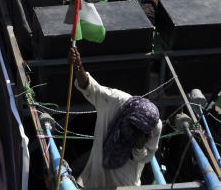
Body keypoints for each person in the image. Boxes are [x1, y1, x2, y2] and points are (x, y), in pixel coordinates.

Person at [69, 46, 162, 187]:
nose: (134, 131)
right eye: (133, 126)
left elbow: (147, 157)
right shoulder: (115, 100)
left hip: (126, 178)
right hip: (97, 171)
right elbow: (89, 86)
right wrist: (78, 66)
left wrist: (139, 146)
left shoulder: (155, 127)